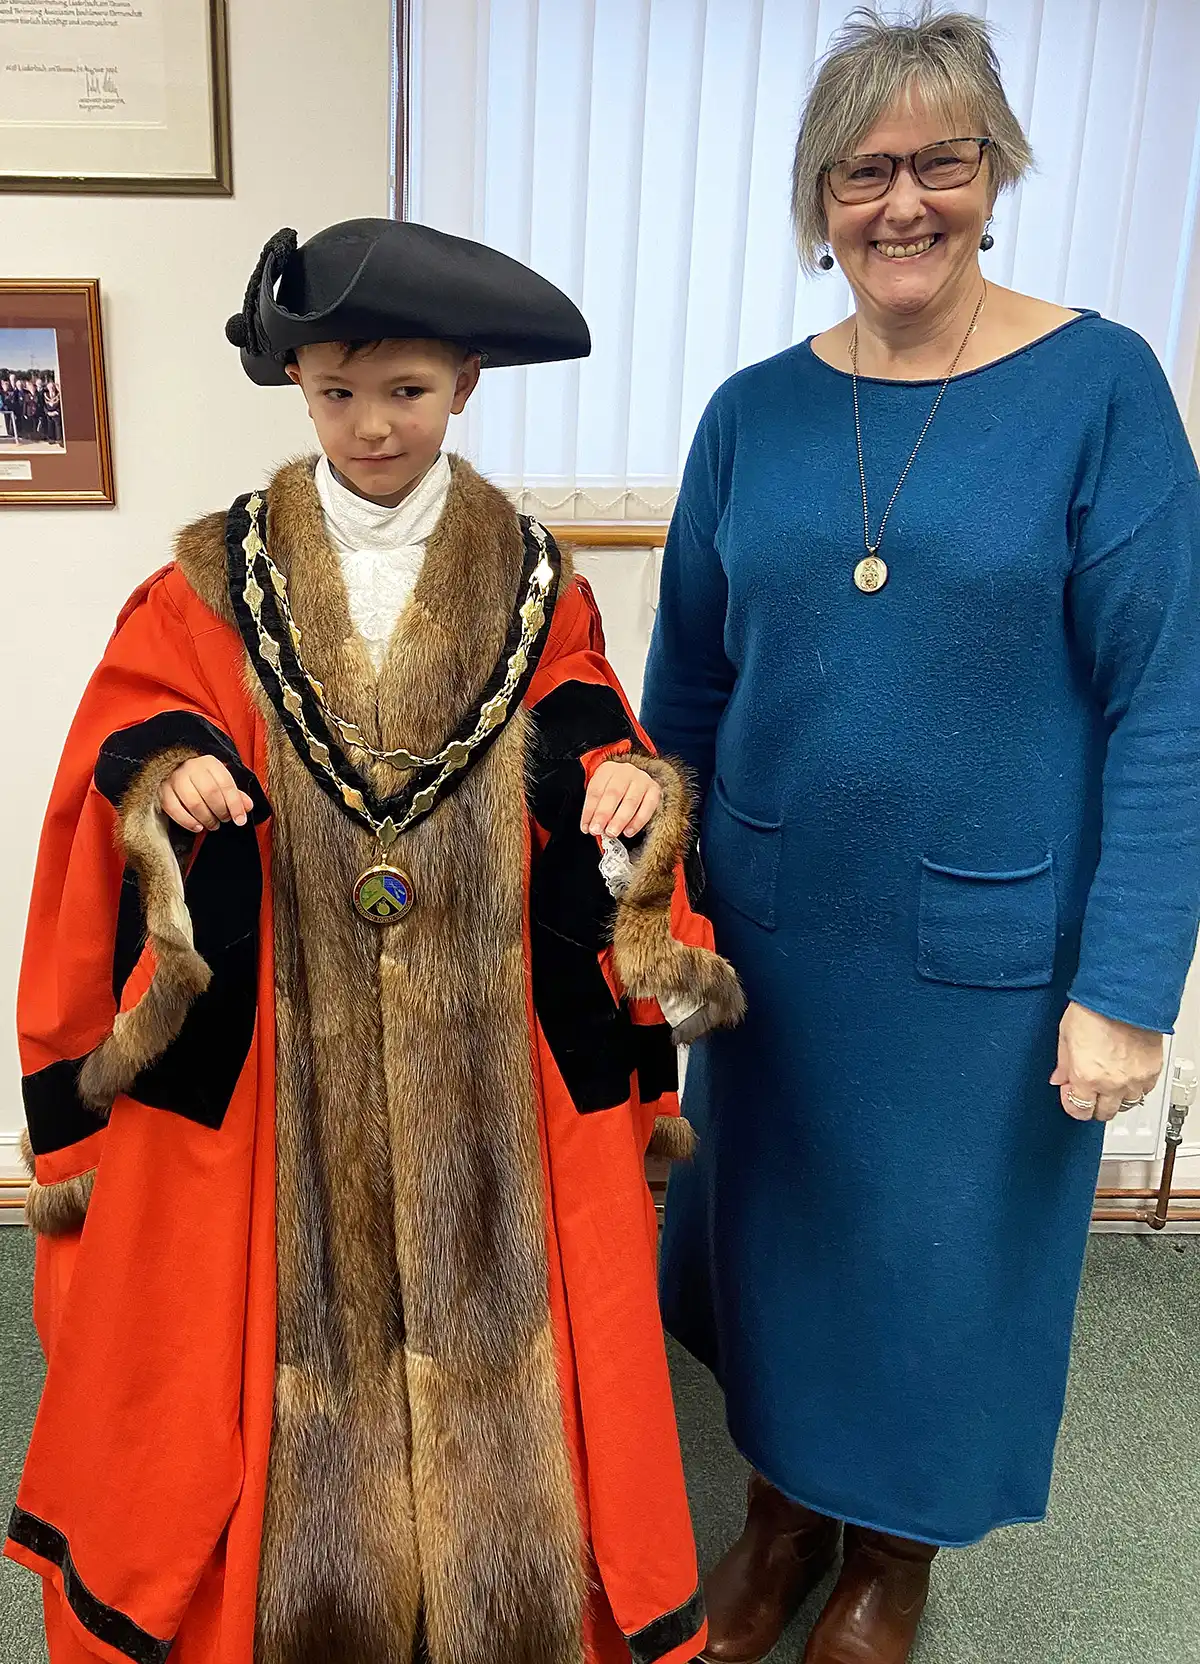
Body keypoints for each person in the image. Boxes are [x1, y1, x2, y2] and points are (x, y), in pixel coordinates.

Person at [8, 218, 744, 1664]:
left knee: (507, 1329)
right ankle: (305, 1603)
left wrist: (619, 778)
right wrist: (171, 777)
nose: (371, 423)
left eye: (405, 388)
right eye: (337, 389)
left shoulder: (540, 585)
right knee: (271, 1336)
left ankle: (496, 1604)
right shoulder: (211, 582)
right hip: (288, 1036)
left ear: (466, 383)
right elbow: (127, 723)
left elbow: (589, 713)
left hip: (485, 1040)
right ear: (297, 385)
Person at [640, 10, 1200, 1664]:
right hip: (770, 943)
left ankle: (892, 1552)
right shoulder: (751, 413)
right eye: (864, 168)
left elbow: (1167, 704)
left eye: (941, 160)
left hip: (987, 955)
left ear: (995, 175)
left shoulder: (1100, 387)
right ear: (819, 198)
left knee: (939, 1271)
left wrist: (1127, 981)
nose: (904, 201)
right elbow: (685, 688)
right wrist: (653, 915)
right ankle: (781, 1513)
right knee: (776, 1246)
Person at [41, 372, 62, 445]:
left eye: (52, 387)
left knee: (58, 426)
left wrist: (57, 411)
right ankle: (51, 439)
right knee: (50, 426)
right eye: (50, 387)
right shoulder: (45, 395)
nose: (51, 389)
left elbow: (60, 404)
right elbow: (43, 405)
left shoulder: (58, 395)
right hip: (49, 414)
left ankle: (59, 440)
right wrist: (47, 412)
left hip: (56, 413)